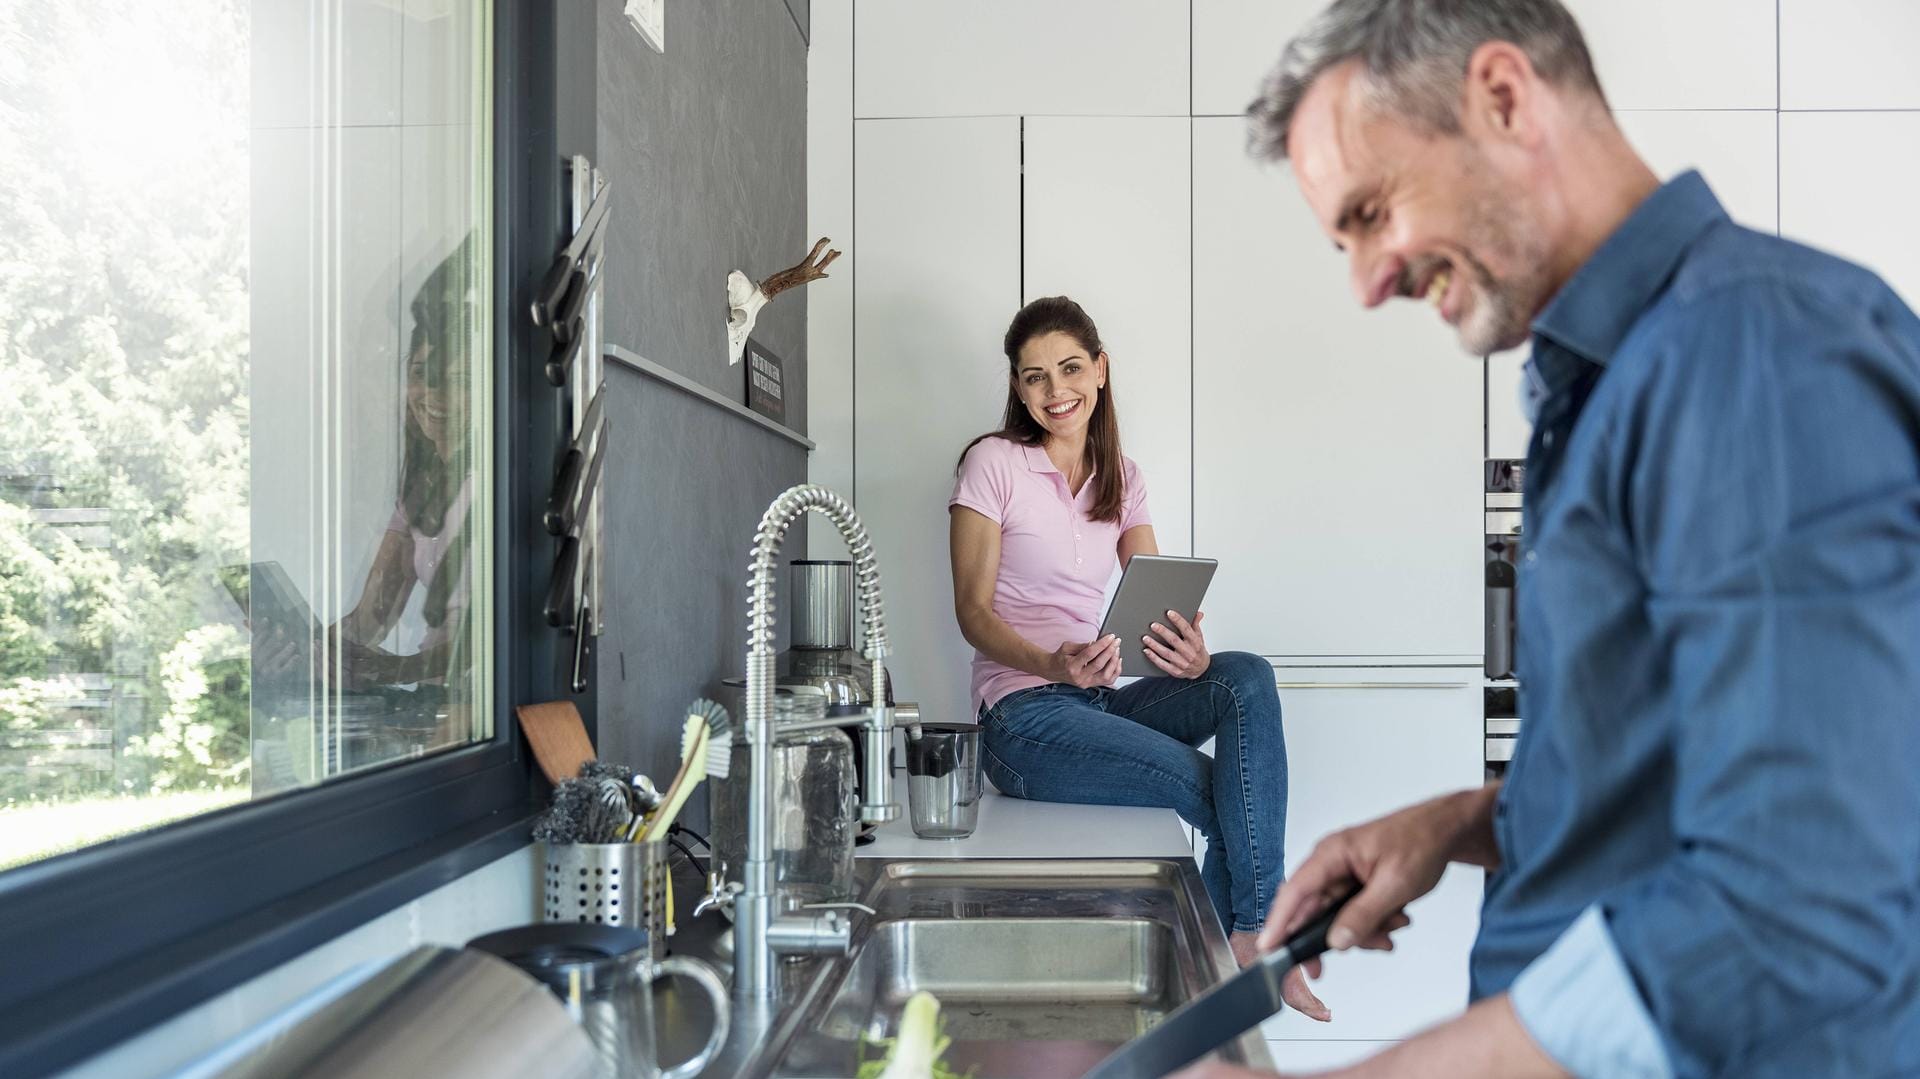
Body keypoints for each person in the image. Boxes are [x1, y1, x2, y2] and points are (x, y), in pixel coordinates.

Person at [1178, 2, 1920, 1077]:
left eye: (1374, 211)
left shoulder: (1750, 355)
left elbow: (1797, 901)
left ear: (1505, 97)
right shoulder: (1620, 383)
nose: (1366, 281)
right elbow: (1685, 774)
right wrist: (1463, 823)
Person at [948, 296, 1328, 1020]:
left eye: (1068, 368)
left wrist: (1181, 649)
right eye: (1034, 378)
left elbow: (1157, 604)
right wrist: (1052, 664)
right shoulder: (993, 463)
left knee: (1245, 676)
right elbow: (972, 613)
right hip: (1021, 718)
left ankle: (1246, 938)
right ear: (1018, 388)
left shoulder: (1120, 474)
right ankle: (1244, 949)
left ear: (1100, 368)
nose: (1055, 391)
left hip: (1095, 700)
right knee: (1208, 786)